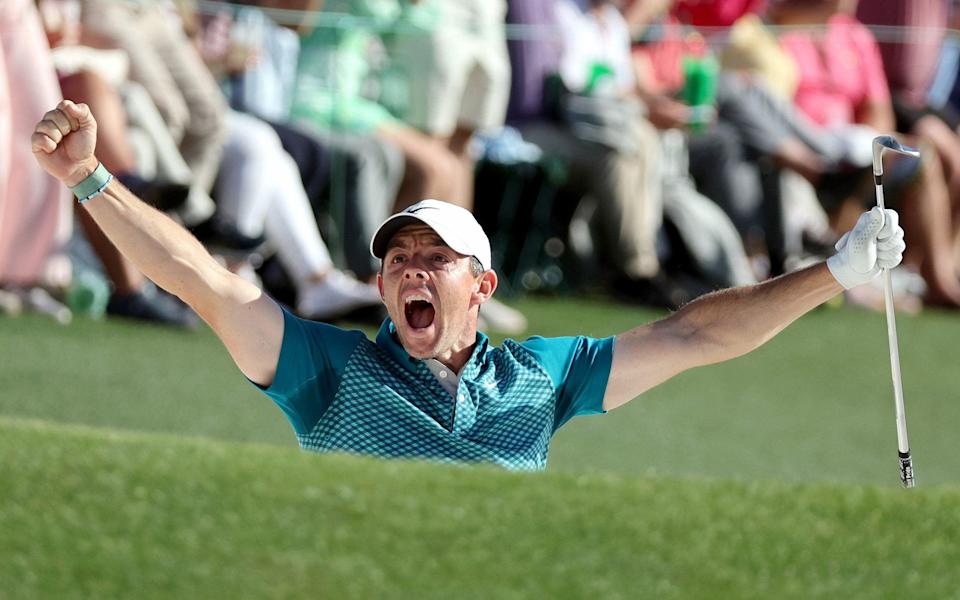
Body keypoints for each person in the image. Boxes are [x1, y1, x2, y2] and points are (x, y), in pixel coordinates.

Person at [31, 100, 906, 469]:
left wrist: (832, 273)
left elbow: (692, 336)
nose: (411, 267)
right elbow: (205, 283)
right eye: (396, 256)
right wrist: (89, 180)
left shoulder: (540, 378)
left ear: (481, 284)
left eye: (435, 255)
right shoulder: (327, 370)